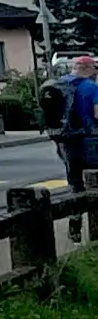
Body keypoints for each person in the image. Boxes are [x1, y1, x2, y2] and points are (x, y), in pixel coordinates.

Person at [63, 55, 98, 239]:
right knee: (94, 183)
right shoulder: (91, 87)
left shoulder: (58, 85)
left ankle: (74, 227)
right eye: (94, 67)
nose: (95, 71)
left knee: (75, 184)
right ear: (85, 68)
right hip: (90, 141)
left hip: (66, 142)